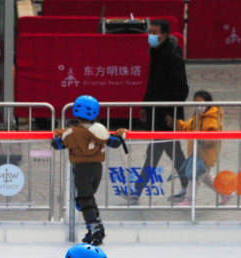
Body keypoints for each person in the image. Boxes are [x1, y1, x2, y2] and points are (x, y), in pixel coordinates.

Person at [53, 95, 128, 245]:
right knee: (89, 199)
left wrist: (58, 135)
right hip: (96, 169)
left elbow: (57, 144)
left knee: (84, 200)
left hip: (81, 170)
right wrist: (120, 135)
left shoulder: (71, 133)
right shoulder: (100, 131)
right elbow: (114, 143)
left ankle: (95, 230)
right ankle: (95, 226)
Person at [129, 19, 190, 203]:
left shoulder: (173, 56)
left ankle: (136, 192)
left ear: (164, 34)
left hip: (167, 117)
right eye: (150, 31)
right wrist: (145, 107)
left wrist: (172, 113)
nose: (151, 35)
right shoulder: (156, 53)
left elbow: (182, 88)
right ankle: (190, 186)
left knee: (155, 153)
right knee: (173, 154)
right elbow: (153, 84)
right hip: (156, 113)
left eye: (155, 32)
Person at [172, 91, 223, 206]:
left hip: (205, 156)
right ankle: (226, 193)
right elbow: (188, 127)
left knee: (194, 178)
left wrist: (204, 141)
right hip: (196, 154)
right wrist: (177, 124)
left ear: (207, 103)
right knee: (207, 178)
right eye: (195, 103)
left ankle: (189, 200)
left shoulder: (212, 118)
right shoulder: (197, 116)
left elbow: (214, 137)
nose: (197, 105)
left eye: (200, 102)